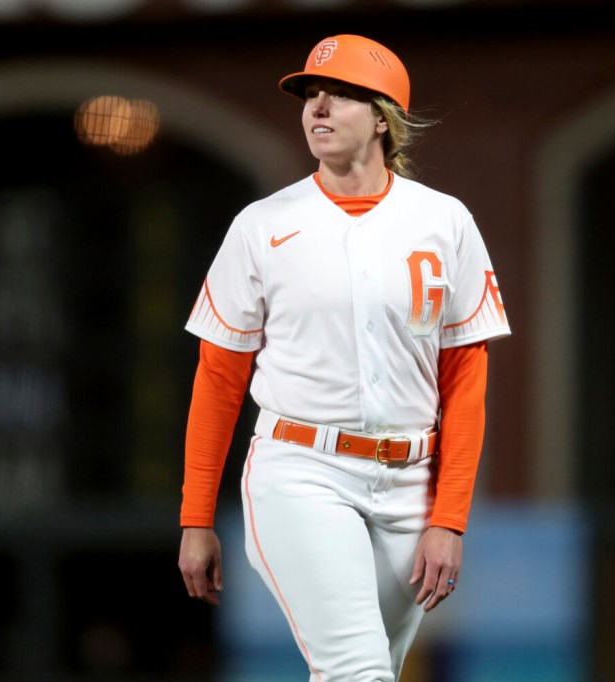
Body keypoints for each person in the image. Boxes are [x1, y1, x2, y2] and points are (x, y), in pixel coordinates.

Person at [177, 33, 511, 682]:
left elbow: (465, 380)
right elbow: (219, 377)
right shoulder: (263, 225)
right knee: (359, 671)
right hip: (302, 468)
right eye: (310, 95)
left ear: (384, 117)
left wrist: (450, 519)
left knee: (369, 669)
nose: (317, 108)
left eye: (338, 95)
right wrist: (196, 518)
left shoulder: (445, 221)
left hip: (411, 482)